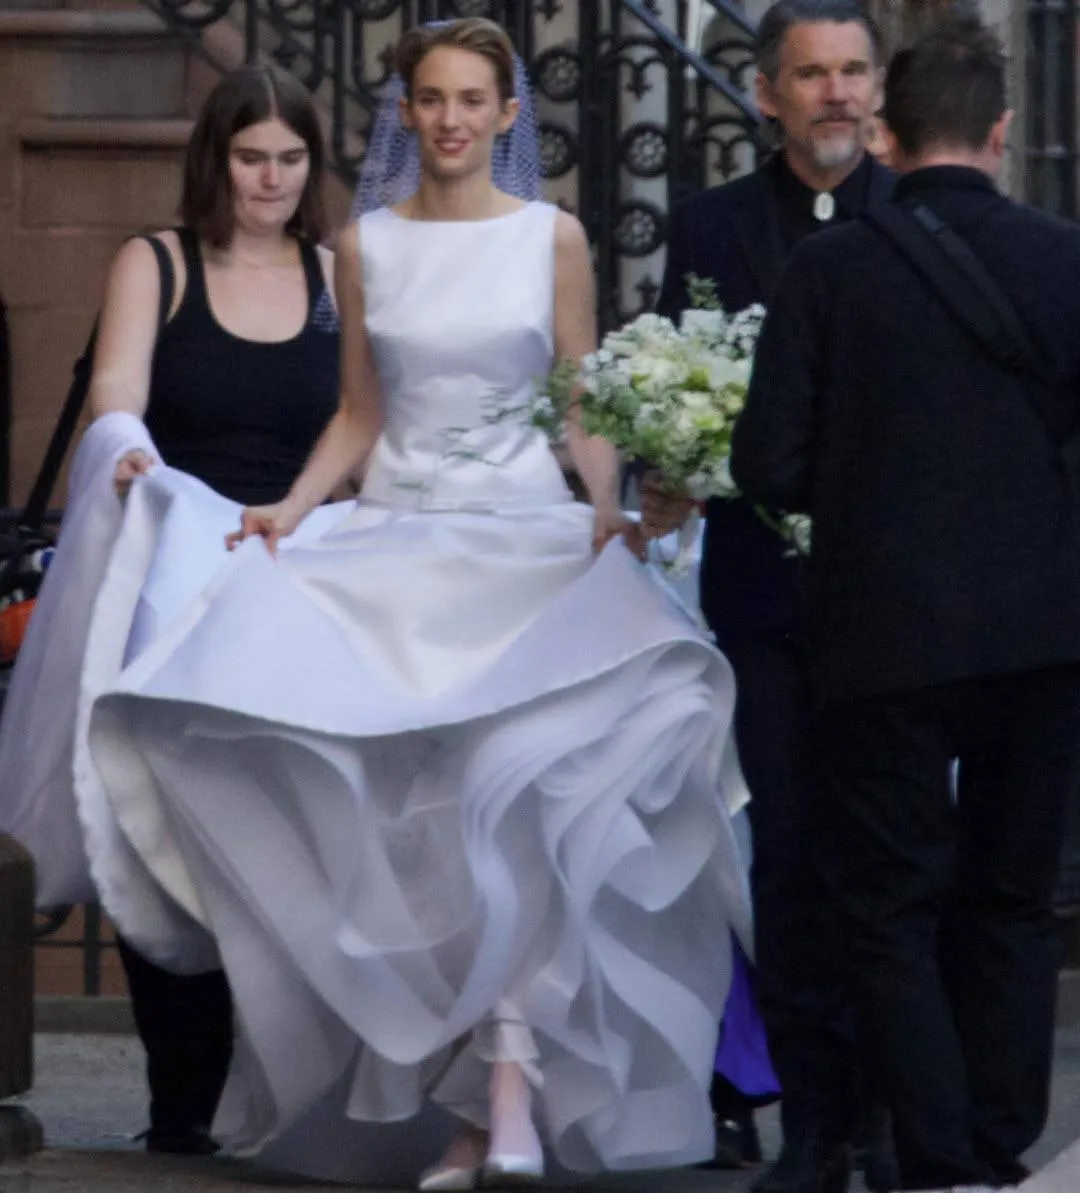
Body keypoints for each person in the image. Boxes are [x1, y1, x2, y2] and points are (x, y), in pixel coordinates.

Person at [30, 17, 753, 1188]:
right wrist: (291, 507)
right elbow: (361, 411)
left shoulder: (554, 236)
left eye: (473, 99)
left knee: (528, 807)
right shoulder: (365, 245)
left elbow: (579, 397)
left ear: (507, 114)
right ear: (406, 112)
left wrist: (607, 507)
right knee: (415, 828)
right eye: (432, 98)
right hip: (399, 543)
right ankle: (463, 1099)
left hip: (525, 544)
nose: (452, 118)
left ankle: (509, 1084)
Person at [731, 15, 1080, 1191]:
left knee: (886, 900)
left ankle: (931, 1148)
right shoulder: (1067, 260)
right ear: (1002, 131)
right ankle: (998, 1132)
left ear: (886, 130)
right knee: (1015, 893)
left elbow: (769, 464)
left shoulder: (829, 269)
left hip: (880, 631)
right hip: (1042, 630)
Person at [0, 65, 339, 1155]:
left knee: (295, 833)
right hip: (181, 571)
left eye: (290, 159)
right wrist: (134, 456)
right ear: (215, 159)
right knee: (168, 827)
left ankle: (285, 1092)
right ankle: (182, 1102)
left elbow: (366, 424)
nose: (271, 180)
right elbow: (115, 395)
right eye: (251, 158)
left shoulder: (338, 277)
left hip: (304, 578)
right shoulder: (156, 261)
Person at [643, 3, 894, 1191]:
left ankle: (885, 1113)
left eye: (852, 71)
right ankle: (814, 1124)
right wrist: (674, 455)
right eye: (811, 74)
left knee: (885, 861)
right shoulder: (712, 224)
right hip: (762, 596)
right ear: (767, 92)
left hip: (896, 598)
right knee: (785, 859)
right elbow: (671, 374)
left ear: (877, 88)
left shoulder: (913, 216)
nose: (835, 92)